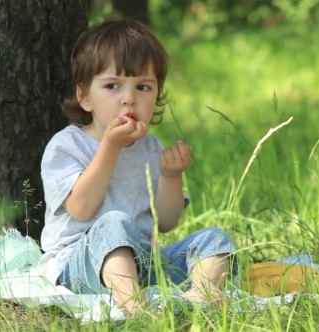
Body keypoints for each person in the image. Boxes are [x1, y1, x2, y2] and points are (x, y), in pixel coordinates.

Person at [39, 19, 236, 314]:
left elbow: (166, 222)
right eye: (112, 86)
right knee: (114, 223)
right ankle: (137, 310)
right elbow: (80, 208)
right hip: (80, 265)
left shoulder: (151, 149)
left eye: (143, 87)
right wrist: (110, 147)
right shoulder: (66, 145)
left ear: (156, 95)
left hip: (143, 264)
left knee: (216, 238)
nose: (129, 99)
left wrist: (171, 175)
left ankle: (200, 296)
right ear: (85, 96)